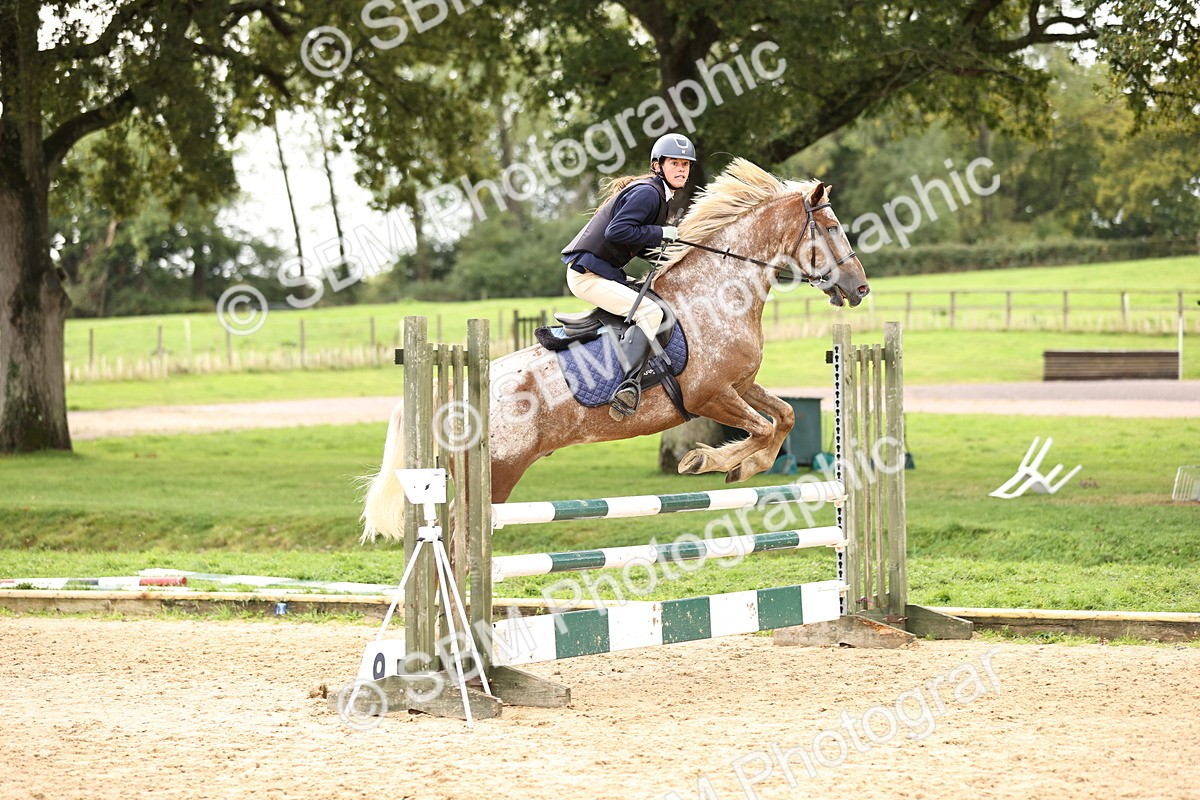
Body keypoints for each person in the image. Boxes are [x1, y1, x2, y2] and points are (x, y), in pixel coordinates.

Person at [561, 132, 696, 420]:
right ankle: (628, 386)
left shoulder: (657, 195)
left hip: (601, 273)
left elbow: (636, 241)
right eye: (675, 163)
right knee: (649, 312)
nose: (681, 169)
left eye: (686, 164)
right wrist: (661, 232)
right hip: (587, 276)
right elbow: (617, 232)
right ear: (657, 166)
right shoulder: (649, 193)